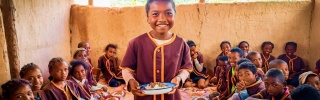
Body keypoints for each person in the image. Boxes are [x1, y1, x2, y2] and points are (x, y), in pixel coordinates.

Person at [120, 0, 193, 100]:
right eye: (155, 14)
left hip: (171, 97)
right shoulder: (136, 43)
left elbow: (186, 69)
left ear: (174, 15)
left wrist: (179, 78)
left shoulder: (181, 43)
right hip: (144, 96)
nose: (162, 19)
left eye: (168, 13)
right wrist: (130, 81)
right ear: (147, 18)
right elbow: (126, 69)